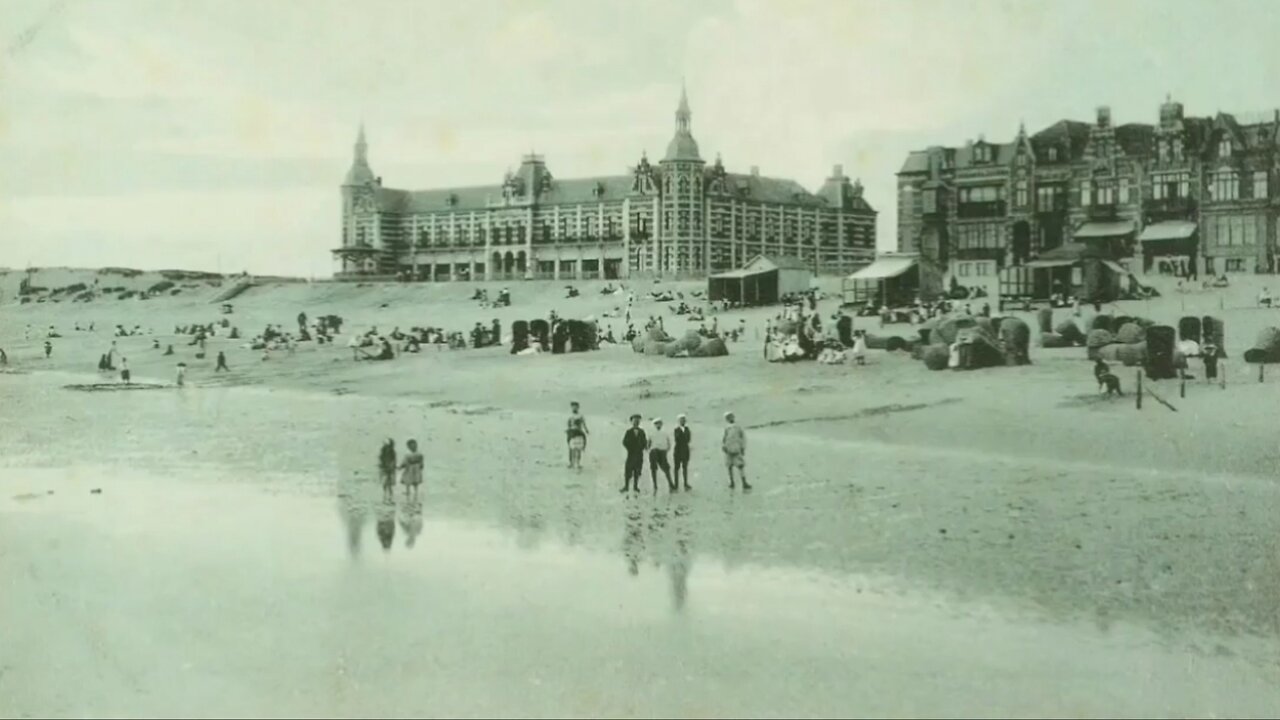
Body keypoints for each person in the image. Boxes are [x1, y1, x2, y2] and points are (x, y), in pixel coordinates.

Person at [722, 412, 751, 490]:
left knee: (740, 466)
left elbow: (743, 438)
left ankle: (744, 482)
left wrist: (743, 447)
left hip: (737, 449)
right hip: (728, 449)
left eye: (731, 417)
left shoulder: (738, 427)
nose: (730, 419)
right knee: (729, 466)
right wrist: (724, 446)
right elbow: (724, 438)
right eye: (728, 418)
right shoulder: (726, 428)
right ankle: (732, 482)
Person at [621, 414, 647, 493]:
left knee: (637, 471)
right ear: (632, 422)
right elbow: (624, 442)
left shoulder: (642, 432)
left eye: (638, 421)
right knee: (628, 470)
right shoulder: (628, 432)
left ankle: (635, 486)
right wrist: (630, 448)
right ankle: (626, 486)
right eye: (634, 421)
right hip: (631, 454)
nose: (636, 422)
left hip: (639, 454)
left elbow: (644, 442)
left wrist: (641, 448)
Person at [648, 418, 674, 492]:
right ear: (654, 425)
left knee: (666, 468)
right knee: (653, 469)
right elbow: (648, 444)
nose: (658, 425)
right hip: (654, 451)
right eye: (656, 424)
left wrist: (666, 450)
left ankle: (670, 484)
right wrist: (650, 450)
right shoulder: (651, 433)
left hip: (662, 452)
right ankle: (655, 485)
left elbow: (669, 443)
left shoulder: (665, 433)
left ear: (661, 424)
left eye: (659, 423)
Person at [566, 401, 589, 470]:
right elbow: (568, 424)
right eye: (573, 406)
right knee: (571, 448)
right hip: (572, 432)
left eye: (575, 406)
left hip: (578, 432)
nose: (574, 408)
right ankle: (571, 462)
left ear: (578, 407)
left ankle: (578, 462)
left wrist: (586, 430)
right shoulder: (570, 415)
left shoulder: (580, 415)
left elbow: (584, 423)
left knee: (579, 448)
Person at [673, 414, 692, 491]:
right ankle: (676, 484)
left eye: (684, 420)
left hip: (685, 450)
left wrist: (683, 437)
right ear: (679, 421)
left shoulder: (687, 429)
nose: (683, 421)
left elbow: (688, 439)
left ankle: (685, 483)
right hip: (678, 451)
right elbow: (677, 439)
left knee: (685, 468)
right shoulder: (676, 430)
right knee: (677, 468)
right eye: (681, 420)